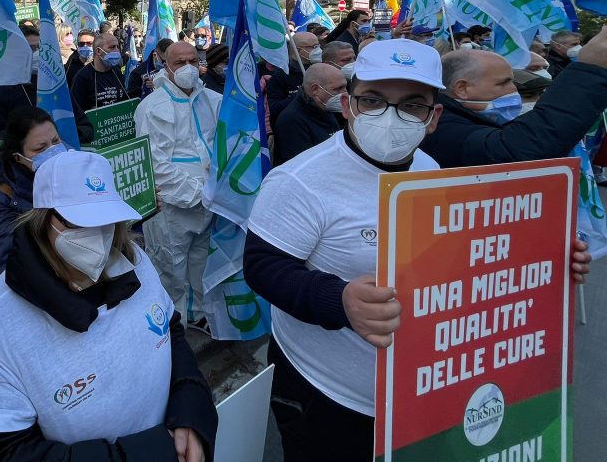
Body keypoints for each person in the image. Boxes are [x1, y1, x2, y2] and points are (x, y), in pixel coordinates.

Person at [242, 39, 591, 461]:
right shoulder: (298, 181)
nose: (390, 117)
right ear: (349, 105)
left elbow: (462, 255)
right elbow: (263, 266)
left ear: (433, 117)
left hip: (420, 395)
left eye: (411, 105)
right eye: (372, 100)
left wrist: (544, 259)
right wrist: (338, 299)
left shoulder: (431, 171)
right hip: (329, 395)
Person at [0, 150, 217, 462]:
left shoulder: (135, 262)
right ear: (44, 218)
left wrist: (190, 406)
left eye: (106, 219)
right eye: (79, 221)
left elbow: (169, 329)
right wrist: (142, 455)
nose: (97, 236)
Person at [421, 30, 607, 168]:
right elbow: (516, 151)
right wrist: (589, 70)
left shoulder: (467, 117)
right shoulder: (440, 128)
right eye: (504, 83)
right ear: (462, 88)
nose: (514, 90)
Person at [135, 41, 221, 333]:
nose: (187, 67)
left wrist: (214, 190)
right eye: (179, 62)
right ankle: (173, 327)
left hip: (208, 200)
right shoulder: (153, 107)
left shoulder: (212, 100)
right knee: (170, 266)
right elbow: (156, 164)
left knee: (200, 260)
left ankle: (196, 314)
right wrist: (197, 192)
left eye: (192, 60)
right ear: (165, 65)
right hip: (172, 206)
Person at [0, 26, 93, 166]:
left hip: (64, 169)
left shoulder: (56, 89)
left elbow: (87, 129)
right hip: (20, 181)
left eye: (40, 48)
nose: (37, 54)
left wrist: (58, 136)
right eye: (31, 49)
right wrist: (28, 137)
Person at [0, 107, 62, 288]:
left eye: (56, 141)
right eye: (41, 148)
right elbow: (1, 277)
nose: (53, 151)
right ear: (18, 157)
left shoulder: (65, 181)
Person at [272, 62, 345, 165]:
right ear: (315, 89)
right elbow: (302, 166)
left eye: (345, 87)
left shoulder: (325, 108)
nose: (344, 94)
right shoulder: (292, 121)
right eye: (338, 89)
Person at [266, 32, 322, 126]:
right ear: (299, 51)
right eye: (313, 46)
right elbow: (274, 108)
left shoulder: (322, 68)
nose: (319, 50)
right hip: (297, 126)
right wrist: (301, 94)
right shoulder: (281, 75)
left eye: (318, 45)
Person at [69, 31, 129, 112]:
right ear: (98, 51)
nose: (117, 51)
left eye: (117, 47)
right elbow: (76, 110)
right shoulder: (82, 77)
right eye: (112, 47)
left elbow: (125, 101)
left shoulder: (117, 72)